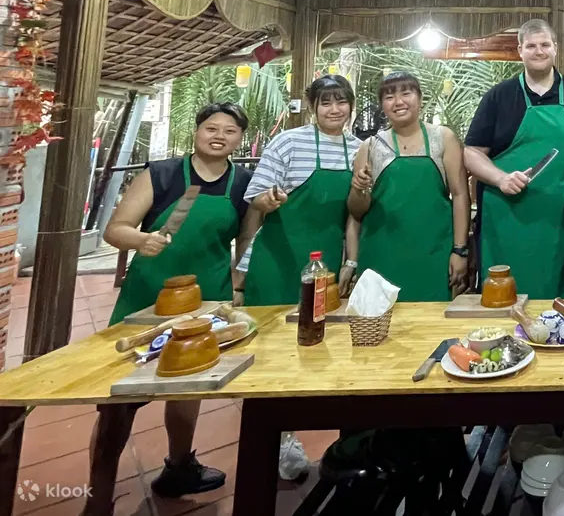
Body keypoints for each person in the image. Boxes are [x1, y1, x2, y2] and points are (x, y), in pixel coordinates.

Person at [89, 103, 254, 510]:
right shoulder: (161, 174)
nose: (219, 136)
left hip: (206, 300)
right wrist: (140, 240)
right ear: (197, 132)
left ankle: (179, 466)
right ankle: (98, 494)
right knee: (119, 401)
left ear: (239, 139)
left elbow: (245, 244)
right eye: (211, 128)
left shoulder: (242, 183)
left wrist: (239, 285)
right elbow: (116, 229)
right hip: (147, 300)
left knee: (187, 388)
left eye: (230, 131)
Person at [464, 20, 564, 298]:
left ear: (555, 49)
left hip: (563, 218)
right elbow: (472, 152)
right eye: (532, 46)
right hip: (507, 219)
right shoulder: (498, 97)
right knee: (504, 297)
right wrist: (501, 178)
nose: (539, 51)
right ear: (520, 51)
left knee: (562, 297)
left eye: (545, 45)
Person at [348, 71, 471, 300]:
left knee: (431, 325)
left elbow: (460, 196)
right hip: (380, 257)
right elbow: (356, 211)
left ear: (420, 98)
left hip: (433, 253)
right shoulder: (371, 146)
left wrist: (459, 250)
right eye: (389, 97)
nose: (399, 102)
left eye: (406, 93)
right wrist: (358, 189)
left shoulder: (443, 138)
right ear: (382, 105)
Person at [243, 74, 357, 304]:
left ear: (351, 106)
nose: (334, 109)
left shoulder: (359, 149)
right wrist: (270, 200)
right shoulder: (288, 142)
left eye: (341, 102)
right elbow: (256, 196)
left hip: (327, 258)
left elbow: (356, 212)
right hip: (277, 256)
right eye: (325, 103)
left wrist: (350, 262)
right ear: (312, 107)